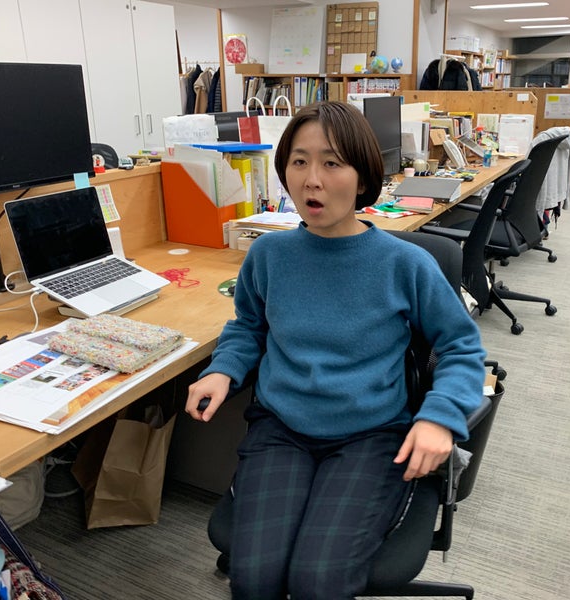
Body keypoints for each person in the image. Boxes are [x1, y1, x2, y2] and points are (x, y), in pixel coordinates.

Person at [185, 101, 487, 600]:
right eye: (299, 161)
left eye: (331, 163)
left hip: (372, 434)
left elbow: (461, 346)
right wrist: (224, 369)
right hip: (281, 430)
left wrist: (440, 416)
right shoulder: (268, 254)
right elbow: (249, 327)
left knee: (317, 580)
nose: (312, 180)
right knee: (254, 579)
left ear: (362, 176)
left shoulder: (404, 264)